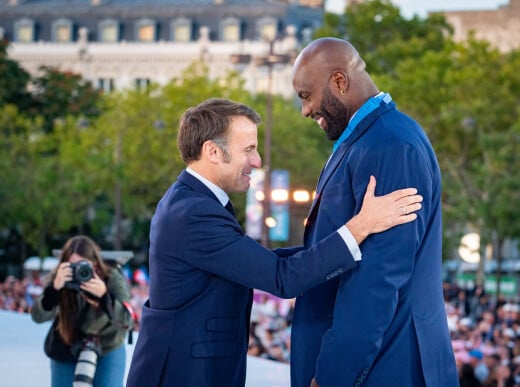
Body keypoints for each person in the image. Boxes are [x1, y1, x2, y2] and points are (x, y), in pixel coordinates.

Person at [126, 97, 423, 387]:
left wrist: (348, 236)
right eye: (249, 150)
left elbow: (268, 261)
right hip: (183, 374)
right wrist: (361, 226)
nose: (257, 161)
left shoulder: (192, 202)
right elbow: (283, 278)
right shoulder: (194, 213)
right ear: (213, 151)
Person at [289, 37, 458, 386]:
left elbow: (378, 281)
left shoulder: (391, 145)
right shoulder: (366, 139)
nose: (305, 110)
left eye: (307, 96)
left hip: (383, 368)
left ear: (339, 81)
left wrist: (333, 375)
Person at [31, 235, 134, 387]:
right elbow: (37, 316)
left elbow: (128, 320)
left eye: (83, 266)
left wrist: (105, 297)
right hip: (67, 342)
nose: (78, 271)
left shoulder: (111, 277)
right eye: (72, 266)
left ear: (94, 264)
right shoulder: (59, 278)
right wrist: (54, 291)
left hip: (108, 344)